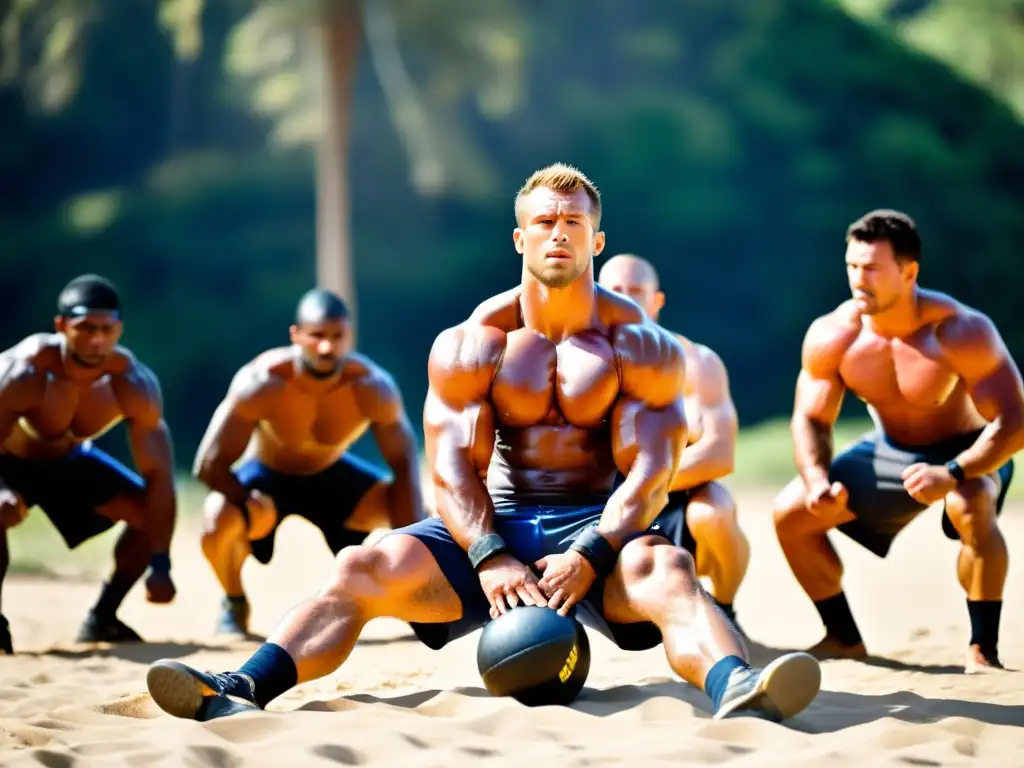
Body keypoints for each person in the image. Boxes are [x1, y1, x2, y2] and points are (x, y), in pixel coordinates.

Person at [146, 163, 820, 723]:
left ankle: (736, 686)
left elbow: (653, 467)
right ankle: (240, 687)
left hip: (597, 524)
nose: (559, 234)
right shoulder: (476, 343)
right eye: (546, 224)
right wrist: (491, 553)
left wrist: (591, 551)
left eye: (574, 223)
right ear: (520, 238)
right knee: (362, 566)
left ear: (598, 240)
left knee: (669, 572)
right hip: (495, 520)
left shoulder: (640, 344)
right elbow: (450, 463)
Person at [773, 210, 1022, 673]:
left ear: (909, 272)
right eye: (851, 267)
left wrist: (953, 472)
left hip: (967, 449)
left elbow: (1015, 420)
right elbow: (810, 418)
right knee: (791, 515)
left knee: (970, 507)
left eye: (871, 269)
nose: (857, 279)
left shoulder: (959, 330)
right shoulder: (835, 334)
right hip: (891, 450)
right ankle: (844, 638)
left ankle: (982, 651)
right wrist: (815, 480)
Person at [193, 288, 425, 636]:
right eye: (316, 336)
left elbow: (405, 464)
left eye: (336, 337)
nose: (327, 347)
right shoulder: (262, 381)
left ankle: (416, 600)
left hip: (332, 477)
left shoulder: (372, 387)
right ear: (296, 335)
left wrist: (411, 555)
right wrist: (244, 500)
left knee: (429, 517)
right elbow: (208, 464)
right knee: (217, 518)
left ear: (349, 335)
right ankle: (234, 601)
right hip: (269, 479)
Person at [0, 275, 177, 653]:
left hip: (71, 462)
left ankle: (103, 617)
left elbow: (160, 474)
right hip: (9, 461)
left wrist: (161, 563)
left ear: (119, 329)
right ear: (61, 326)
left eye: (106, 329)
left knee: (149, 513)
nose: (97, 339)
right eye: (85, 328)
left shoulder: (132, 382)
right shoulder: (23, 372)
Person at [598, 254, 749, 631]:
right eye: (617, 292)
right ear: (598, 297)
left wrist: (644, 486)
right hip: (603, 505)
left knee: (713, 511)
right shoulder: (579, 363)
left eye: (637, 291)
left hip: (671, 494)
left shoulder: (697, 362)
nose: (628, 300)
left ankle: (726, 609)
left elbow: (719, 453)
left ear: (657, 300)